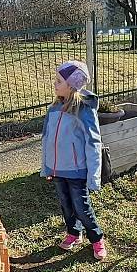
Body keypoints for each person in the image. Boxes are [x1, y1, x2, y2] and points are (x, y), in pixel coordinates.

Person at [40, 61, 106, 261]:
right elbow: (46, 139)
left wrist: (94, 176)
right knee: (65, 205)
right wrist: (47, 167)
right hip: (57, 170)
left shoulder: (83, 110)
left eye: (59, 81)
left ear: (71, 86)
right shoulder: (53, 109)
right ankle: (73, 233)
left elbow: (93, 142)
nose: (54, 83)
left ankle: (96, 239)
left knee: (81, 207)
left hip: (77, 171)